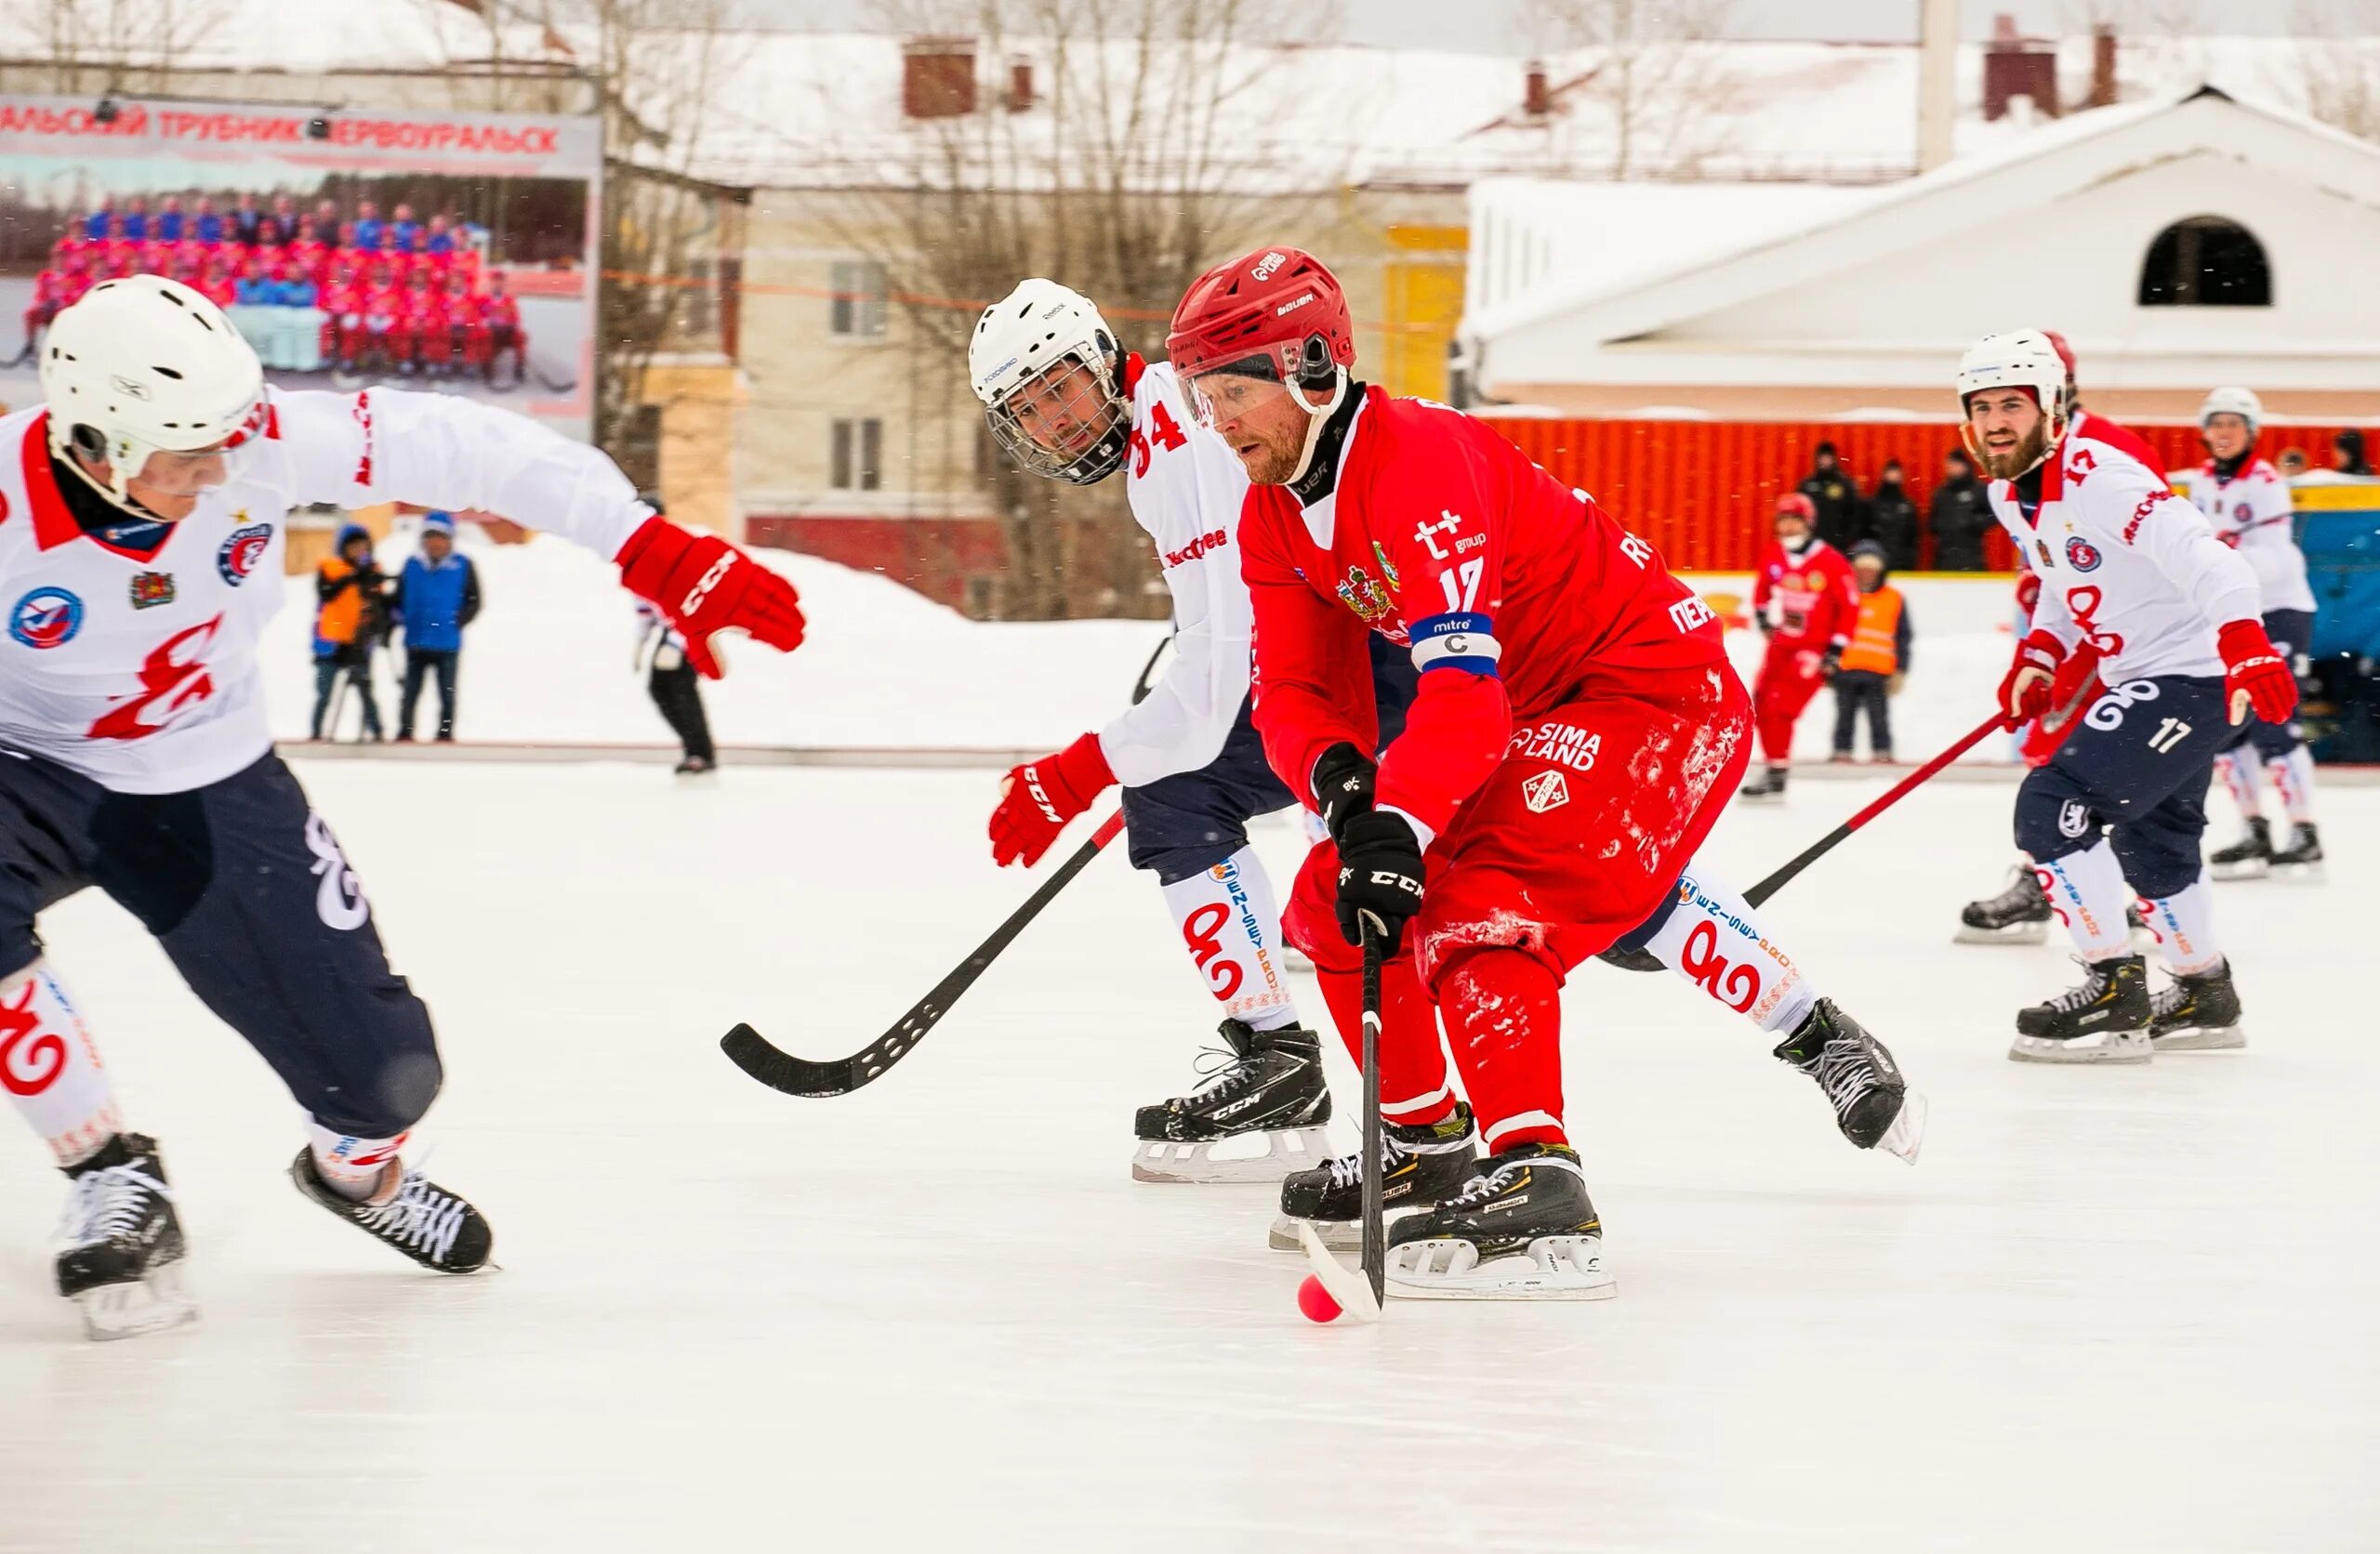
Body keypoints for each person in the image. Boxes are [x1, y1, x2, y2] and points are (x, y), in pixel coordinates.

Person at [0, 275, 804, 1338]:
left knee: (387, 1077)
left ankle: (358, 1174)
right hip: (26, 765)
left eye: (230, 442)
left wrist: (648, 545)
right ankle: (108, 1170)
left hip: (205, 774)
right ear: (92, 446)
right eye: (187, 457)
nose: (224, 472)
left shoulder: (262, 440)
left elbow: (477, 449)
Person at [1166, 247, 1921, 1298]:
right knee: (1329, 898)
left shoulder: (1418, 462)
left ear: (1311, 367)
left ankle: (1536, 1172)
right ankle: (1425, 1140)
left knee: (1483, 899)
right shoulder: (1275, 510)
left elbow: (1463, 699)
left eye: (1234, 390)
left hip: (1651, 697)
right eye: (1203, 395)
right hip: (1533, 710)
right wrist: (1344, 790)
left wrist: (1405, 824)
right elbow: (1295, 691)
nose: (1218, 420)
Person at [971, 277, 1420, 1184]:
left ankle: (1349, 1093)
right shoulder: (1158, 435)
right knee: (1183, 794)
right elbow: (1230, 620)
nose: (1057, 422)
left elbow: (1213, 693)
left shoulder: (1175, 444)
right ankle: (1292, 1066)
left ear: (1103, 358)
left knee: (1196, 802)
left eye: (1061, 388)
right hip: (1345, 648)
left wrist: (1080, 768)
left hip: (1374, 659)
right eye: (1031, 410)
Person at [1965, 329, 2294, 1063]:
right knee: (2154, 845)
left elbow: (2210, 557)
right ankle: (2206, 993)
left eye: (2013, 404)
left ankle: (2114, 986)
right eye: (1981, 406)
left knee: (2052, 805)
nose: (1996, 422)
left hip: (2191, 676)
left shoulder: (2101, 476)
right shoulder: (2006, 491)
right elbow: (2059, 576)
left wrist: (2245, 643)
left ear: (2052, 407)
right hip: (2147, 677)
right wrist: (2041, 653)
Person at [2175, 388, 2323, 876]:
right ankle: (2253, 829)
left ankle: (2304, 831)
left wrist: (2223, 566)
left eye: (2233, 423)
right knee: (2228, 728)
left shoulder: (2263, 482)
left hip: (2278, 609)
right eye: (2215, 423)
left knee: (2275, 725)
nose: (2223, 432)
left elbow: (2279, 559)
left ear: (2251, 432)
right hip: (2228, 614)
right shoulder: (2199, 483)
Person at [1739, 492, 1858, 801]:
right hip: (1781, 644)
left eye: (1794, 521)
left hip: (1813, 649)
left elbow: (1849, 607)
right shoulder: (1774, 554)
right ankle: (1775, 769)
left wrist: (1836, 651)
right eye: (1783, 522)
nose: (1788, 528)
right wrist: (1763, 616)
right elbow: (1763, 588)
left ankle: (1777, 771)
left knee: (1781, 704)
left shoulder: (1831, 562)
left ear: (1808, 524)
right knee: (1761, 701)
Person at [390, 512, 480, 742]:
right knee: (410, 691)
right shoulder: (412, 565)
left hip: (446, 641)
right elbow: (398, 597)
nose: (435, 543)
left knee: (447, 692)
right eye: (430, 538)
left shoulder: (462, 565)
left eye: (440, 538)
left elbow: (474, 600)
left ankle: (445, 732)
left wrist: (456, 622)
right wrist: (398, 617)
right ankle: (405, 730)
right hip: (416, 639)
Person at [1831, 541, 1910, 763]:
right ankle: (1841, 751)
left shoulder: (1893, 598)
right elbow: (1828, 630)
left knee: (1879, 716)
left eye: (1871, 569)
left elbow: (1903, 636)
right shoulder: (1842, 595)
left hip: (1878, 670)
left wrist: (1901, 669)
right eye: (1862, 569)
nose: (1867, 574)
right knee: (1844, 715)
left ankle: (1882, 751)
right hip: (1846, 667)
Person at [311, 522, 389, 742]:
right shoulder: (330, 567)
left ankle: (377, 732)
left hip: (359, 641)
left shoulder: (373, 570)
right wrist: (352, 577)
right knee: (324, 693)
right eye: (353, 546)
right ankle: (316, 734)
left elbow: (378, 603)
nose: (358, 551)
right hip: (331, 641)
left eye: (362, 546)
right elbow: (326, 593)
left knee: (365, 691)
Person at [1928, 448, 1992, 572]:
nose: (1951, 468)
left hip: (1972, 558)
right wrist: (1941, 526)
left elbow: (1994, 515)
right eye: (1949, 465)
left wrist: (1974, 522)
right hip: (1943, 560)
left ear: (1965, 465)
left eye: (1954, 464)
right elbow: (1932, 524)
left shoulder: (1979, 490)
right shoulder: (1941, 493)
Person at [1798, 441, 1865, 551]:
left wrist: (1847, 540)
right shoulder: (1807, 485)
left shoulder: (1845, 485)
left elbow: (1855, 515)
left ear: (1834, 459)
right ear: (1817, 459)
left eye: (1828, 457)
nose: (1825, 461)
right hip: (1811, 545)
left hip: (1838, 546)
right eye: (1822, 458)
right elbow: (1798, 515)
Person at [1866, 458, 1920, 571]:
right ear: (1884, 475)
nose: (1894, 476)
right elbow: (1866, 535)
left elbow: (1913, 537)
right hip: (1876, 564)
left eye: (1897, 473)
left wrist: (1909, 560)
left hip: (1901, 565)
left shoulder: (1908, 505)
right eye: (1891, 472)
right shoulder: (1873, 504)